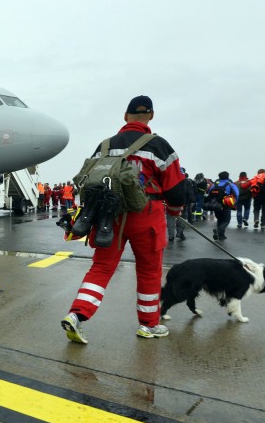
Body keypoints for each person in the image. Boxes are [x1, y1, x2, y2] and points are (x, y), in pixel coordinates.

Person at [60, 95, 185, 344]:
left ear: (125, 117)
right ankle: (148, 325)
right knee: (149, 270)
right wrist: (174, 210)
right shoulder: (159, 145)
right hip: (147, 215)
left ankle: (77, 314)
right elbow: (175, 188)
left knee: (102, 267)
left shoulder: (104, 146)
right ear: (150, 116)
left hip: (109, 215)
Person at [205, 171, 239, 240]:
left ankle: (221, 235)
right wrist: (234, 204)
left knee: (220, 219)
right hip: (225, 204)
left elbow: (209, 193)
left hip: (216, 205)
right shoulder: (230, 184)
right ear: (227, 176)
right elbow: (237, 195)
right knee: (226, 220)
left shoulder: (215, 185)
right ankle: (218, 231)